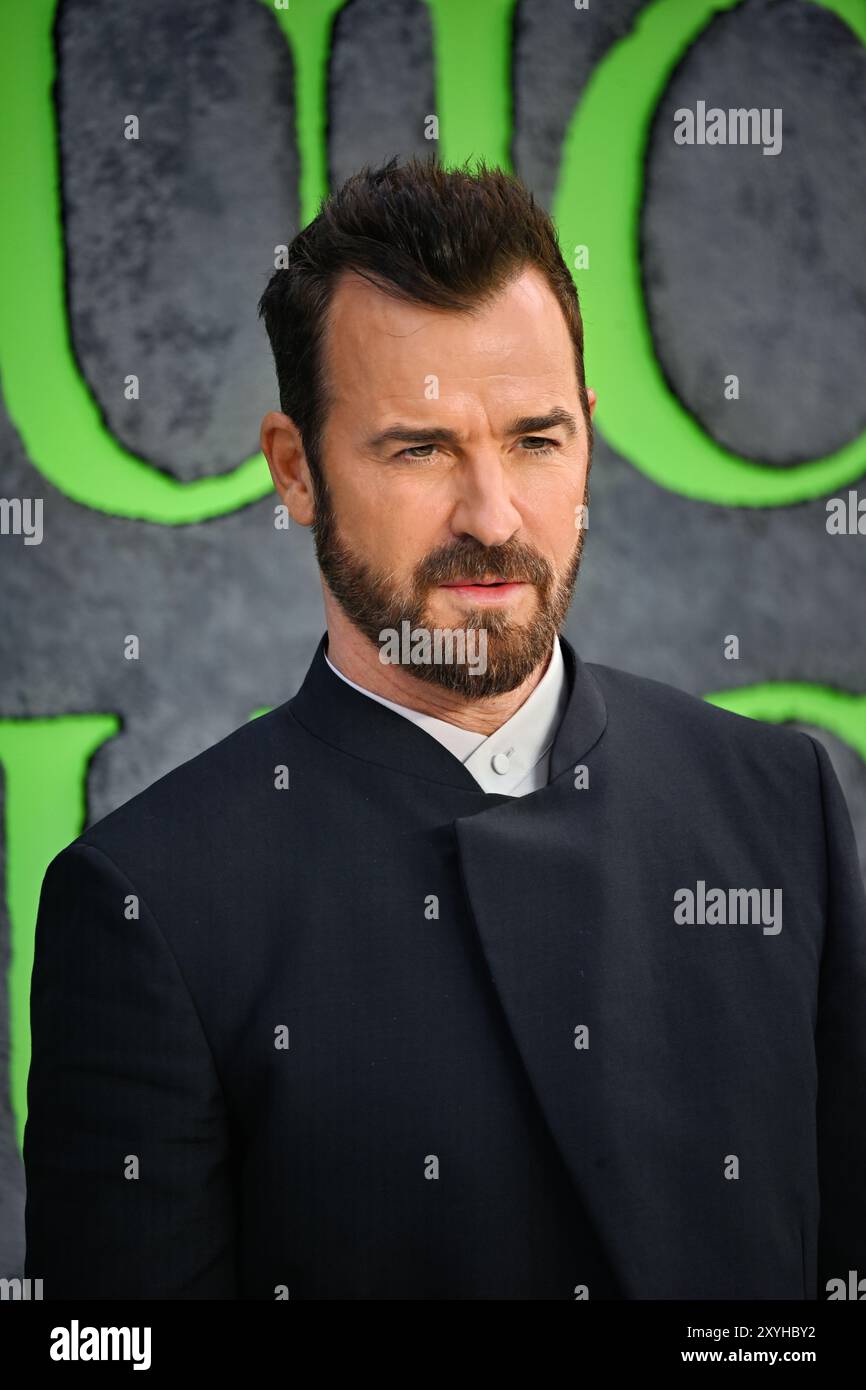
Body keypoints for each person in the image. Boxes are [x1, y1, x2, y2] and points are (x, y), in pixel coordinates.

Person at [24, 155, 866, 1300]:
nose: (491, 514)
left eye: (534, 438)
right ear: (295, 469)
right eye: (419, 449)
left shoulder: (780, 806)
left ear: (586, 438)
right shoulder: (146, 906)